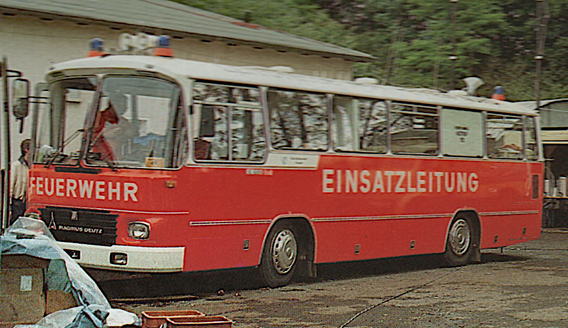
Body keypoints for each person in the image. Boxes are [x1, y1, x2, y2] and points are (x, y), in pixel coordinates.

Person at [10, 139, 30, 225]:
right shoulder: (16, 166)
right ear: (26, 150)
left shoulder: (32, 166)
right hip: (18, 201)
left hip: (28, 202)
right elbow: (10, 185)